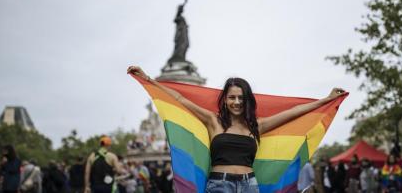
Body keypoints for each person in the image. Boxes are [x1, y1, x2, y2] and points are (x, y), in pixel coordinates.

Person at [127, 66, 346, 193]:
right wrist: (148, 80)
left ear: (247, 100)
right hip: (219, 184)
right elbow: (179, 98)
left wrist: (325, 100)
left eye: (241, 97)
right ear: (225, 100)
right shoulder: (213, 121)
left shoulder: (257, 126)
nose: (237, 102)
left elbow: (295, 112)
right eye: (232, 97)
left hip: (249, 184)